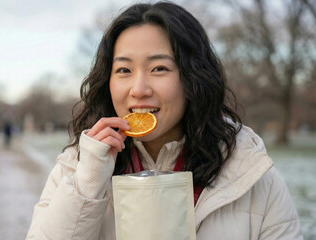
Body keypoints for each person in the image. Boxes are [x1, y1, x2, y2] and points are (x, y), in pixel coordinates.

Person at [26, 2, 303, 239]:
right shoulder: (77, 167)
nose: (138, 89)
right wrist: (88, 183)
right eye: (123, 69)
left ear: (192, 77)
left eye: (159, 68)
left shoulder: (248, 169)